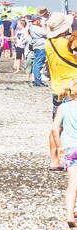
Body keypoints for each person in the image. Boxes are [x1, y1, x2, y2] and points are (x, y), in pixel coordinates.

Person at [44, 14, 77, 172]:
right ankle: (70, 157)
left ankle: (54, 160)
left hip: (57, 89)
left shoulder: (48, 43)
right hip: (73, 88)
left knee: (56, 126)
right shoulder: (69, 43)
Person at [50, 80, 77, 228]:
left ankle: (69, 213)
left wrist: (59, 146)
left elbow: (54, 128)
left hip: (69, 148)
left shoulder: (64, 107)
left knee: (73, 182)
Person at [29, 16, 49, 87]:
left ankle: (37, 80)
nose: (40, 22)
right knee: (38, 63)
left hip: (38, 46)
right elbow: (46, 33)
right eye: (39, 20)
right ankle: (38, 81)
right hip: (40, 47)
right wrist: (44, 25)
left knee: (37, 63)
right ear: (36, 21)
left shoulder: (32, 28)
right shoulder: (36, 28)